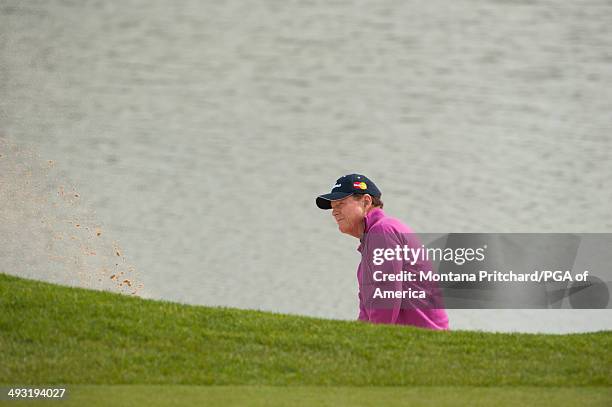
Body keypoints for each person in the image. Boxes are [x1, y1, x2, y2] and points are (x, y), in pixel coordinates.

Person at [316, 173, 449, 330]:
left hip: (422, 342)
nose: (334, 212)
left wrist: (372, 341)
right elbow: (367, 312)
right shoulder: (375, 238)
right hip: (413, 338)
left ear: (366, 202)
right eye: (333, 207)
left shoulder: (382, 232)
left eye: (341, 204)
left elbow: (387, 298)